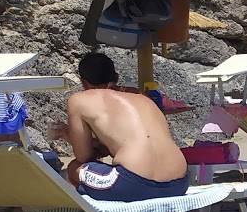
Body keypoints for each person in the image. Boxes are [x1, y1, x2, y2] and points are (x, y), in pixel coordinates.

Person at [64, 52, 188, 201]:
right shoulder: (143, 99)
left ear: (83, 83)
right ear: (116, 78)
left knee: (73, 168)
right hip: (179, 183)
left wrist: (67, 136)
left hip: (133, 184)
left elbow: (84, 157)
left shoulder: (79, 100)